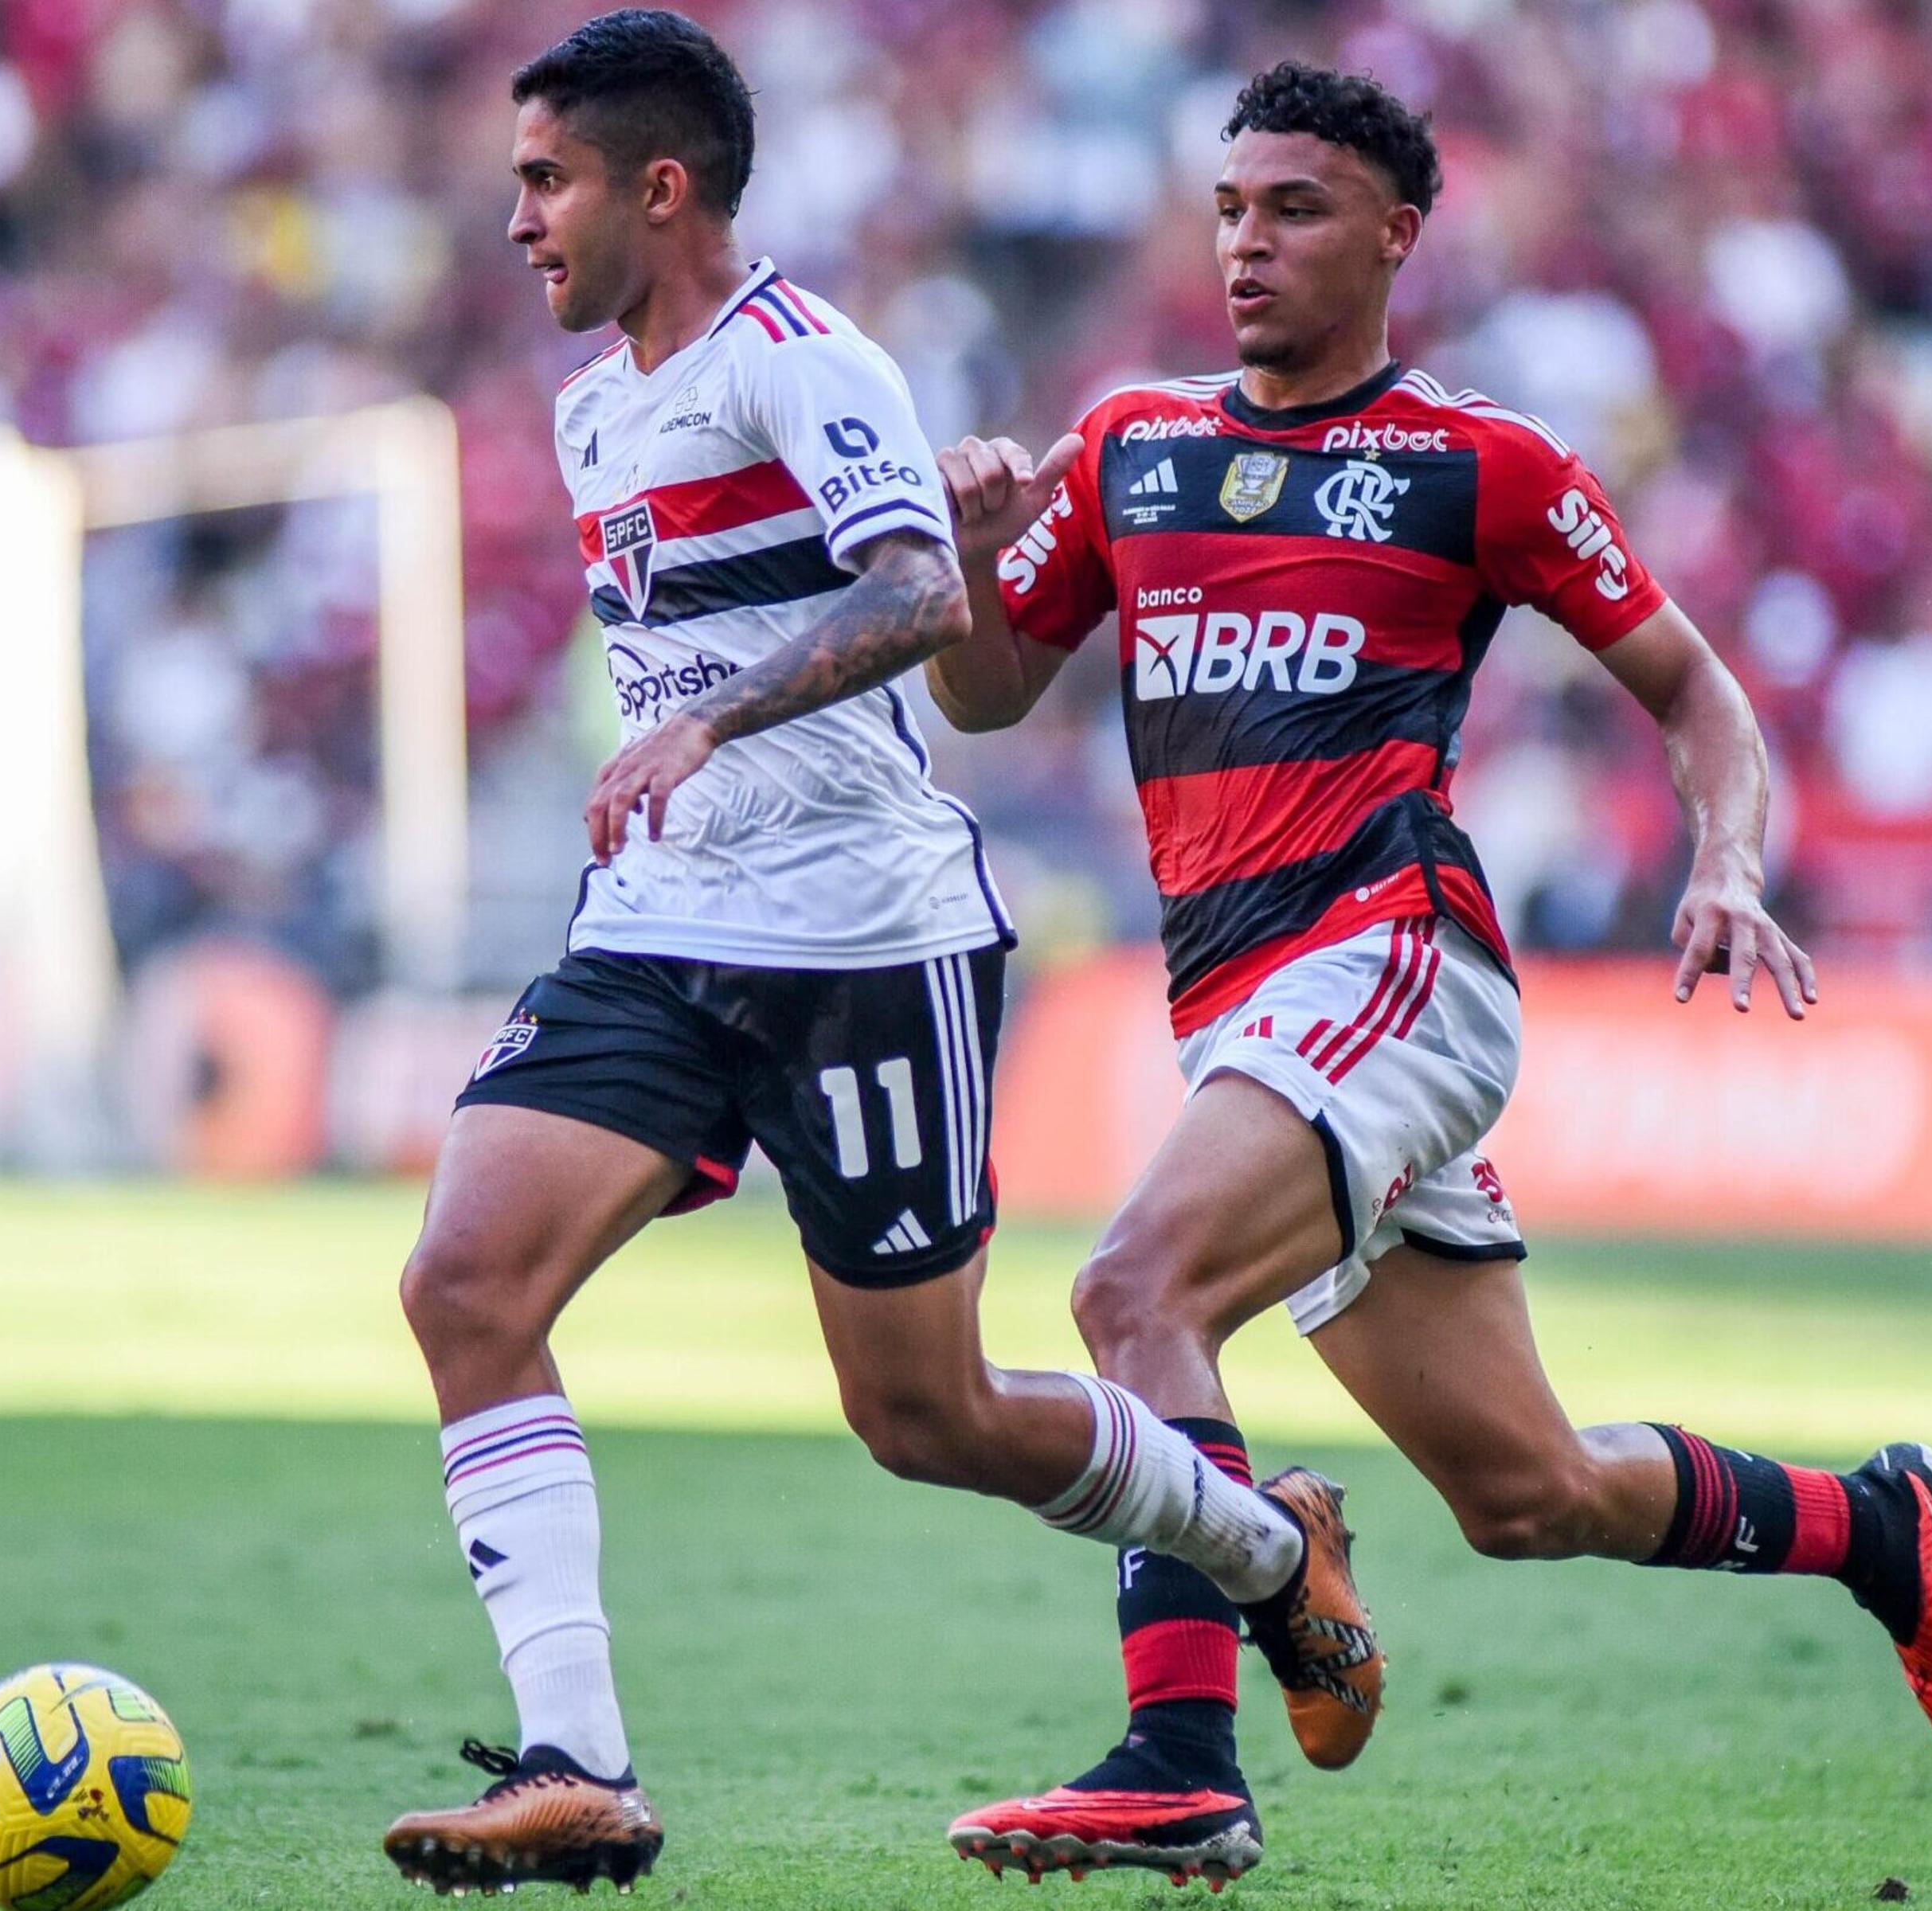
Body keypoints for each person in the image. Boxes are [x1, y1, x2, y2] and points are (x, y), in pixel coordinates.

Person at [925, 60, 1932, 1887]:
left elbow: (1697, 695)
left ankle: (1180, 1752)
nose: (1249, 243)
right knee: (1528, 1496)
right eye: (1232, 208)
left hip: (1398, 965)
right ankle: (1875, 1527)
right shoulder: (1128, 447)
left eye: (1298, 209)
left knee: (1134, 1290)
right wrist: (964, 547)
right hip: (1245, 1013)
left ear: (1397, 235)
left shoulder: (1476, 464)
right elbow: (984, 689)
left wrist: (1727, 857)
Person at [377, 16, 1366, 1896]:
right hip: (661, 931)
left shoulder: (805, 360)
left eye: (547, 180)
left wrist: (708, 725)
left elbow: (923, 594)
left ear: (657, 188)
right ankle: (581, 1763)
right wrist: (688, 758)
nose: (519, 219)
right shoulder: (594, 406)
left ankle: (1265, 1544)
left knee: (925, 1415)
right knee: (463, 1283)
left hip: (864, 940)